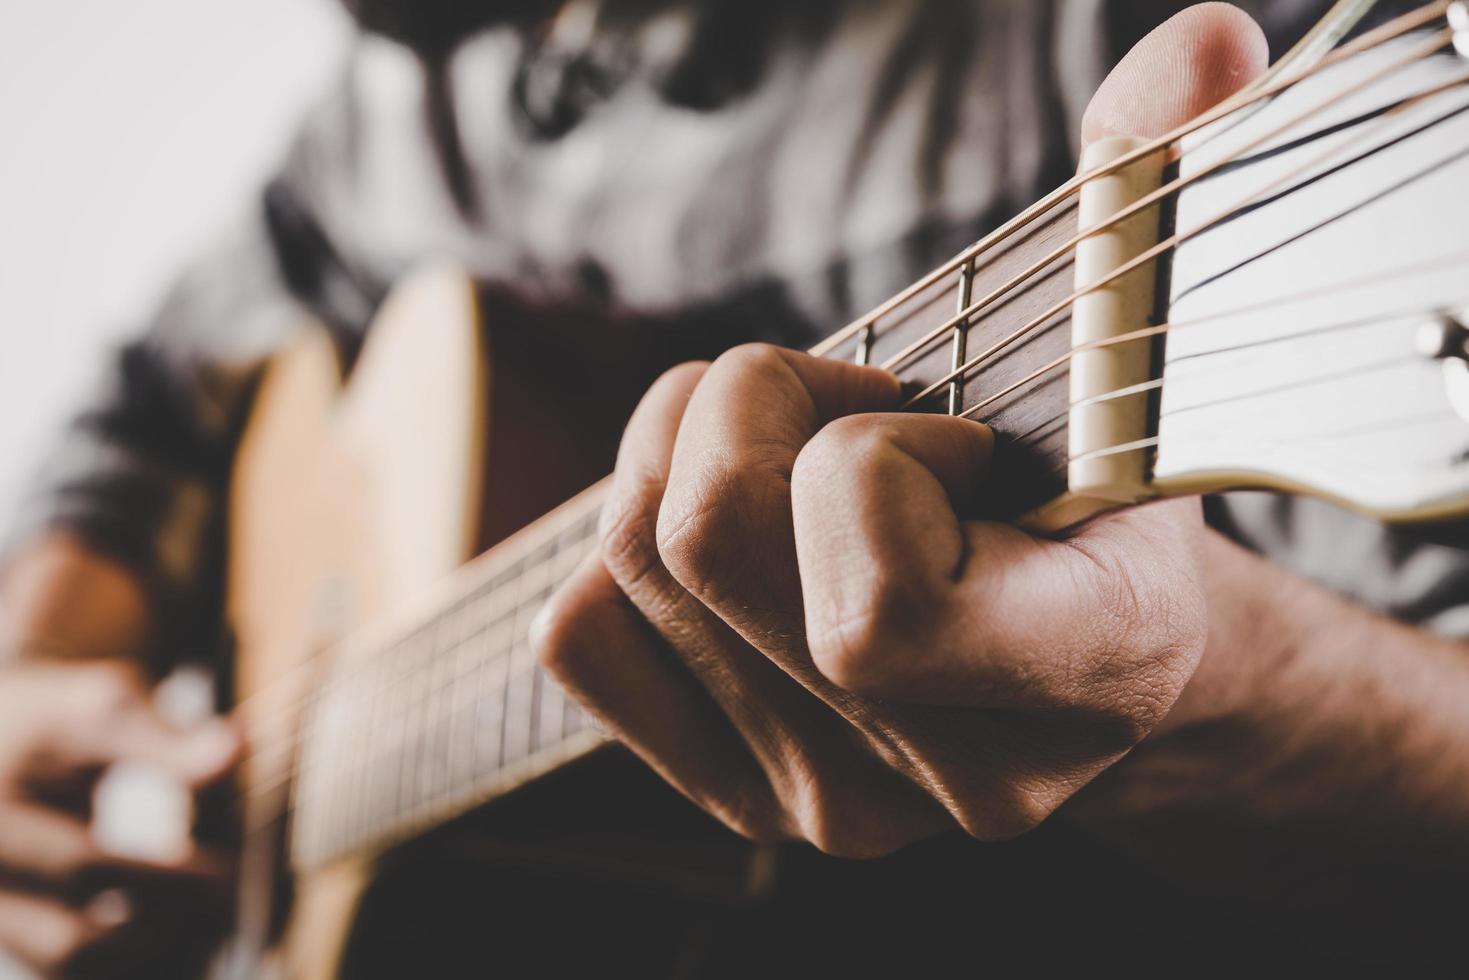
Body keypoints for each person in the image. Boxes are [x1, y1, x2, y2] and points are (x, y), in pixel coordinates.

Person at [1, 1, 1465, 976]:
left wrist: (1192, 692)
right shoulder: (413, 106)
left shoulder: (1117, 36)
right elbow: (155, 390)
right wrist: (47, 662)